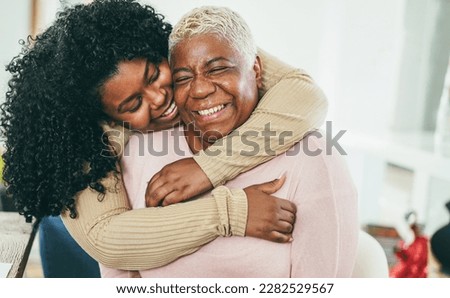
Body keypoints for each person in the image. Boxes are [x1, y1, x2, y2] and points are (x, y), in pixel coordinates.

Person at [0, 0, 327, 272]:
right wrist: (230, 213)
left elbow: (304, 92)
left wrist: (206, 167)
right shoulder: (84, 139)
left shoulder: (182, 47)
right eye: (133, 103)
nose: (159, 98)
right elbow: (107, 239)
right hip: (77, 245)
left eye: (154, 74)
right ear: (106, 118)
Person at [101, 6, 358, 278]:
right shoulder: (139, 154)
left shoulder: (312, 157)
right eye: (183, 78)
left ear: (256, 69)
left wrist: (207, 168)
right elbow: (119, 273)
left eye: (218, 69)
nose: (200, 89)